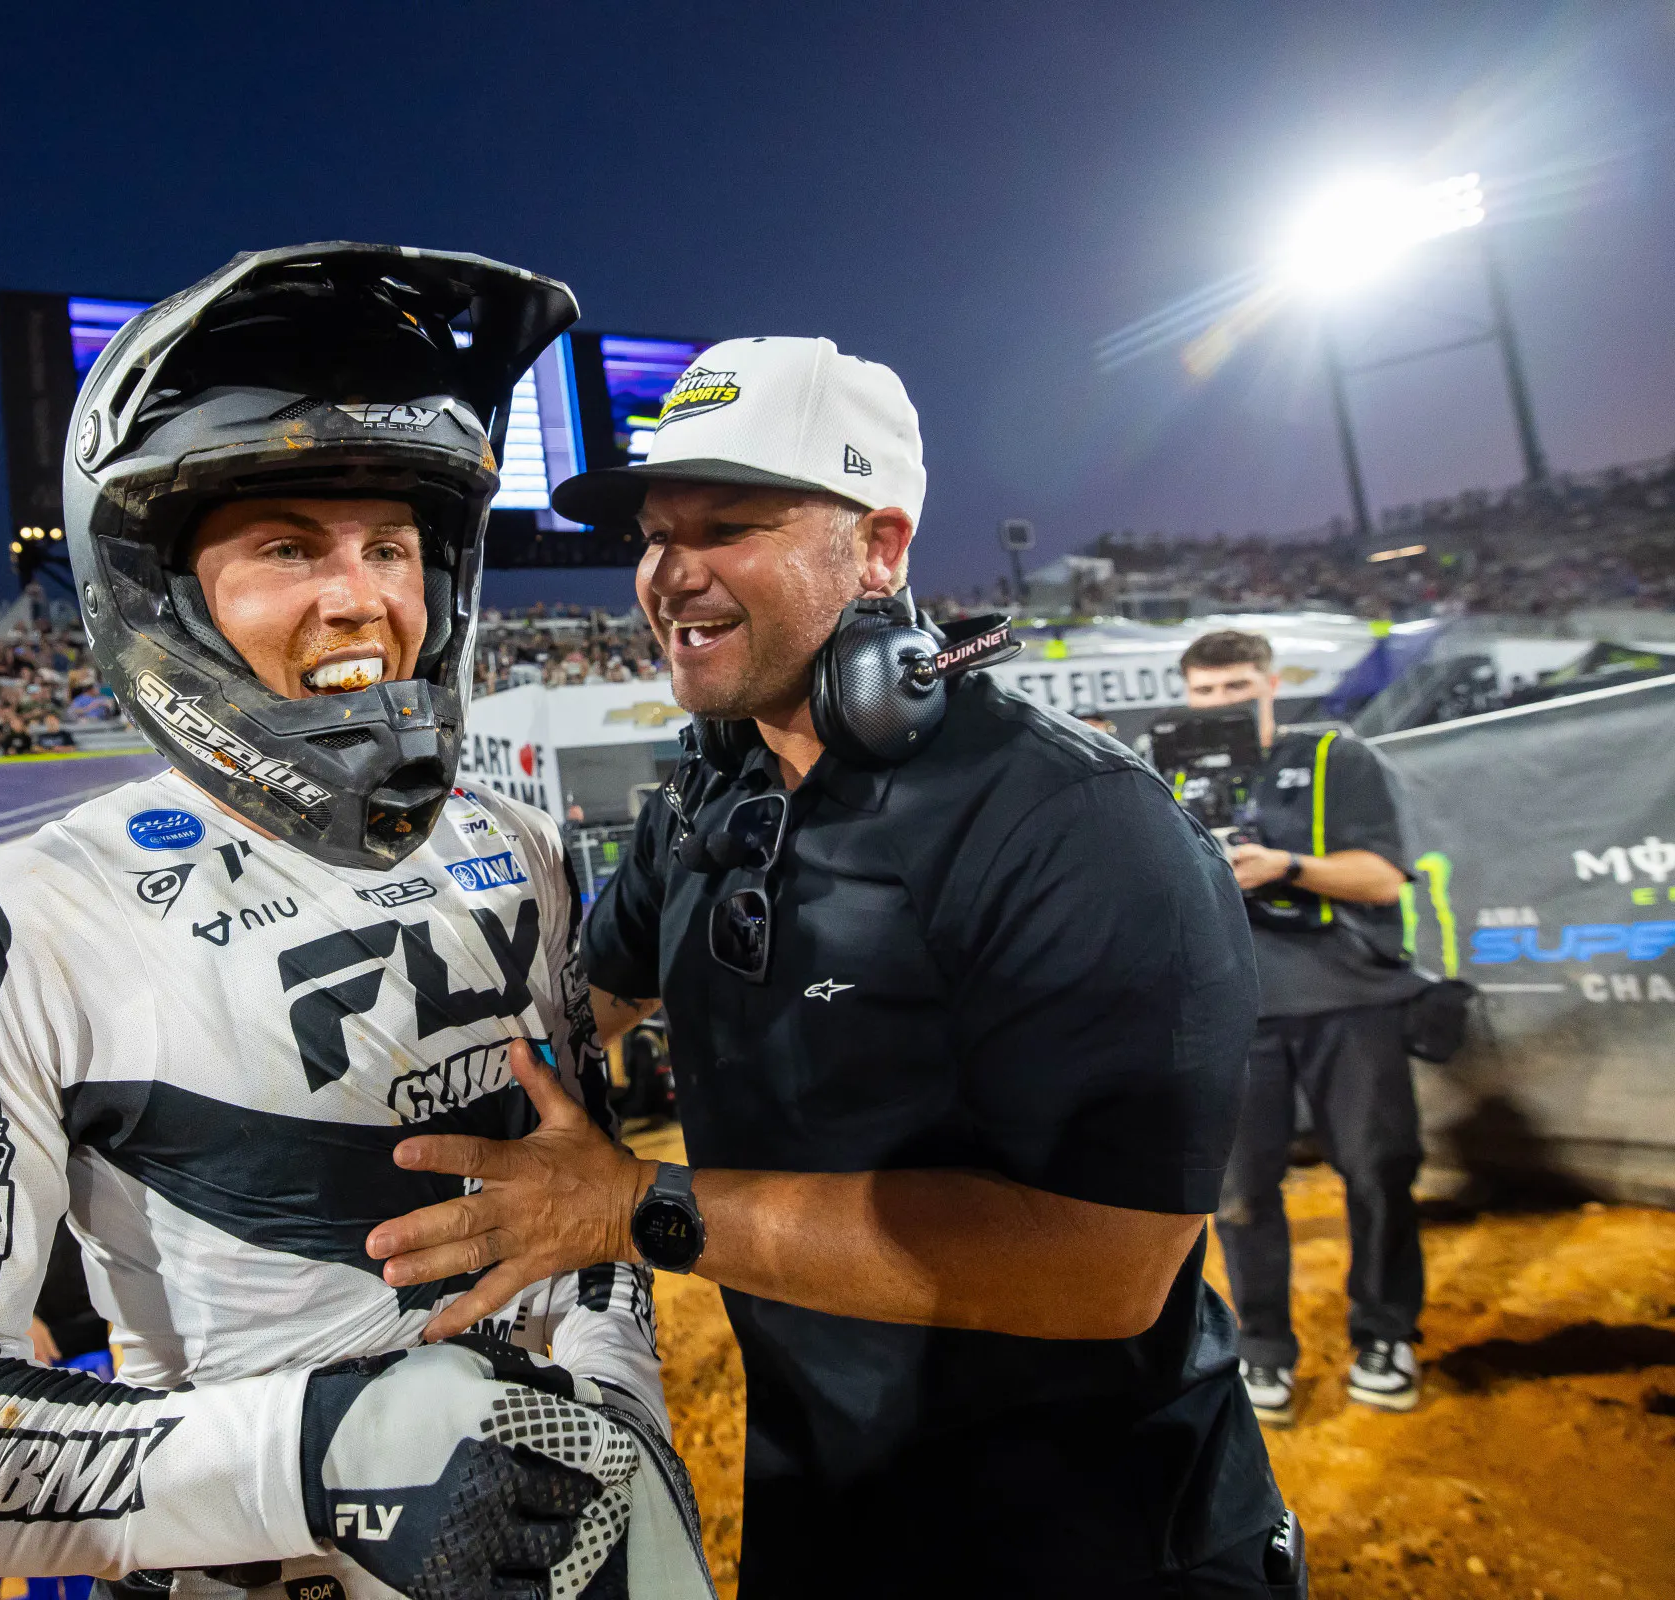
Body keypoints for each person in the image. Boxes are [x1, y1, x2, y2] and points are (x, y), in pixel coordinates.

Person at [0, 243, 705, 1599]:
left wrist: (624, 1448)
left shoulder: (514, 849)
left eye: (391, 547)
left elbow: (580, 1215)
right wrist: (331, 1455)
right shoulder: (24, 919)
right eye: (288, 547)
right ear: (166, 592)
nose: (359, 595)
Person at [364, 337, 1300, 1595]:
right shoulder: (707, 796)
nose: (667, 573)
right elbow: (582, 1003)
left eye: (728, 523)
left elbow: (1109, 1265)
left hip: (1100, 1540)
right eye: (653, 532)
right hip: (825, 1512)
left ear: (879, 549)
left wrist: (639, 1206)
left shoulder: (1077, 821)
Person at [1181, 628, 1427, 1424]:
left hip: (1348, 1002)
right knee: (1241, 1194)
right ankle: (1261, 1350)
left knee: (1376, 1172)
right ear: (1187, 695)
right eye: (1206, 691)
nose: (1221, 702)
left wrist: (1285, 867)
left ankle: (1386, 1333)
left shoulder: (1335, 757)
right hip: (1233, 1010)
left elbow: (1385, 880)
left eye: (1236, 686)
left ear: (1269, 683)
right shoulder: (1166, 773)